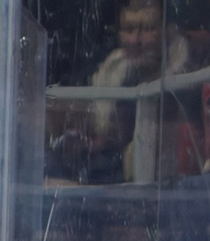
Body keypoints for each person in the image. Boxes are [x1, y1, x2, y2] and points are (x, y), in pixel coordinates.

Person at [54, 0, 199, 185]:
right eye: (129, 29)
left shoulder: (188, 83)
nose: (136, 40)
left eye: (147, 29)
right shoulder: (108, 75)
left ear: (168, 32)